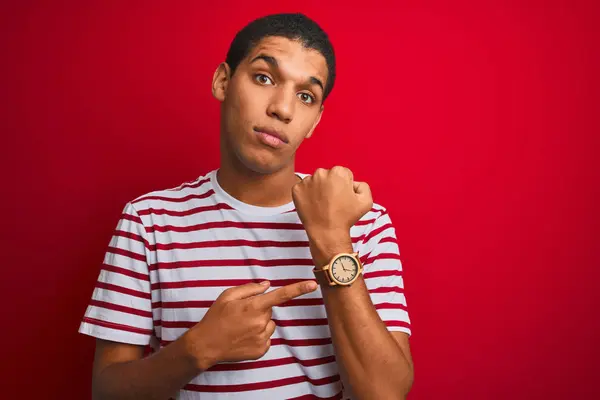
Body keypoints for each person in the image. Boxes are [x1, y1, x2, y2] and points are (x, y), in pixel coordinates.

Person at [79, 12, 413, 400]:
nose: (282, 109)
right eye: (264, 78)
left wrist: (331, 238)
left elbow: (385, 394)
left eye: (306, 96)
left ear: (315, 121)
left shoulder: (364, 221)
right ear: (223, 81)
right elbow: (106, 392)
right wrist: (198, 349)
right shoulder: (148, 221)